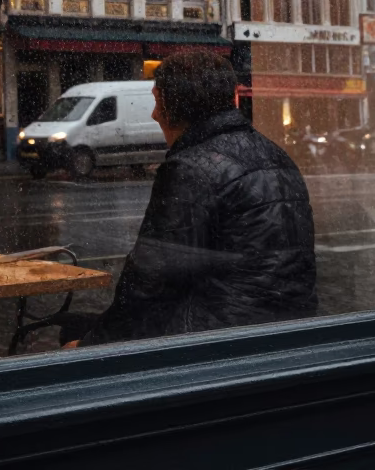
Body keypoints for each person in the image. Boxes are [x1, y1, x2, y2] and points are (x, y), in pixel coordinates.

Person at [72, 50, 317, 347]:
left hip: (219, 340)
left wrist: (91, 348)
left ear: (174, 106)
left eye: (156, 101)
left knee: (69, 329)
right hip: (288, 330)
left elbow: (150, 283)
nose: (153, 114)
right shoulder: (276, 155)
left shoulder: (190, 168)